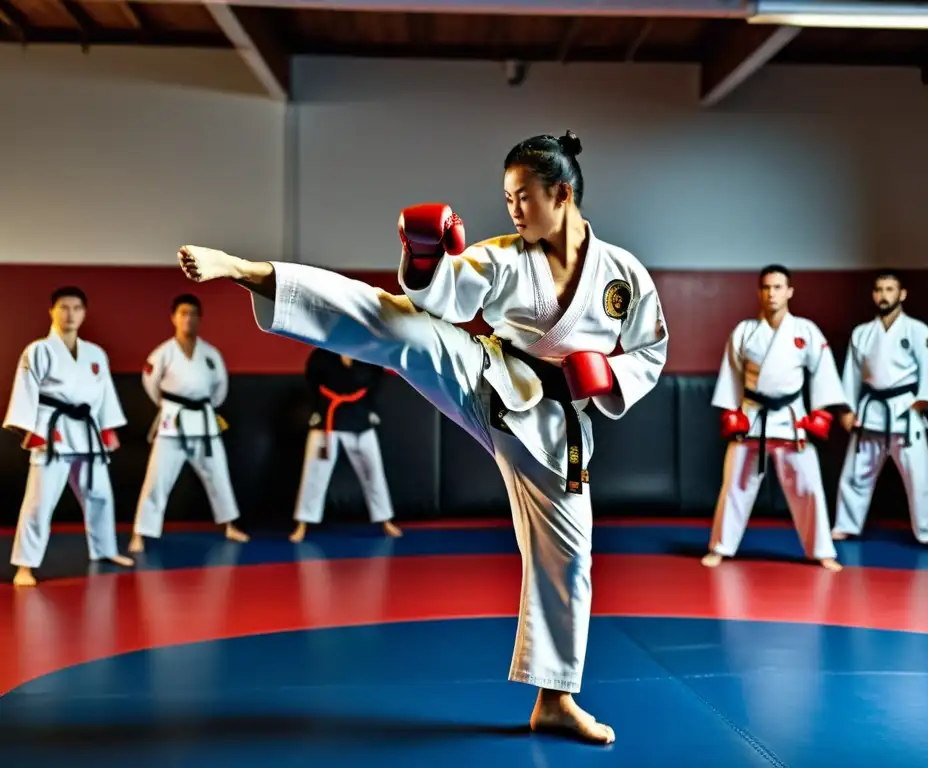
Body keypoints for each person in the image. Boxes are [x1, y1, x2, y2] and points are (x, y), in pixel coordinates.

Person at [175, 130, 668, 744]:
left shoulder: (622, 274)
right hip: (487, 374)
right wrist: (425, 259)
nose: (512, 210)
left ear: (561, 194)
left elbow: (652, 348)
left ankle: (555, 700)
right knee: (400, 327)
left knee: (569, 559)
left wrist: (609, 375)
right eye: (507, 198)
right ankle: (253, 272)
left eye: (522, 198)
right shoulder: (505, 256)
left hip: (552, 424)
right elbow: (440, 298)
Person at [704, 265, 846, 572]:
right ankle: (720, 547)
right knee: (734, 486)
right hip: (753, 418)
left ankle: (822, 551)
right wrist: (732, 413)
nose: (772, 293)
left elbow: (823, 371)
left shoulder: (806, 331)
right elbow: (731, 375)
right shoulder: (744, 331)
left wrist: (820, 413)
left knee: (809, 487)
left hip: (792, 420)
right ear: (759, 292)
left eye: (778, 287)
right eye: (767, 287)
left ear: (789, 291)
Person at [3, 286, 135, 586]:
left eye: (76, 308)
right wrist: (32, 431)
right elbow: (26, 389)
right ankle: (25, 565)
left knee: (100, 494)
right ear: (52, 311)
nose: (70, 313)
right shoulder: (38, 349)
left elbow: (104, 395)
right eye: (64, 307)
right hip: (53, 430)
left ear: (84, 313)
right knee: (39, 502)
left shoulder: (95, 354)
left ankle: (105, 549)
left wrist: (107, 428)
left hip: (87, 432)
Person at [832, 270, 928, 556]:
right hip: (871, 410)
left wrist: (921, 402)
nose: (884, 295)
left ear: (902, 295)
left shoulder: (919, 331)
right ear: (874, 295)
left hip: (904, 410)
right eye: (879, 289)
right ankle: (846, 525)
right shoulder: (861, 333)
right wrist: (847, 410)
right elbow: (851, 374)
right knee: (855, 473)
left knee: (920, 477)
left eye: (890, 289)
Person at [129, 294, 248, 553]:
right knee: (157, 478)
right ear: (173, 318)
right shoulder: (163, 353)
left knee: (218, 474)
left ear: (199, 319)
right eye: (183, 313)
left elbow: (220, 388)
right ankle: (141, 532)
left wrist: (207, 406)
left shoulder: (210, 354)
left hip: (204, 421)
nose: (188, 319)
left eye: (193, 314)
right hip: (173, 419)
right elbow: (150, 384)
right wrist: (167, 404)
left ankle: (230, 525)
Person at [290, 348, 402, 542]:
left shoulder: (369, 354)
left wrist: (370, 409)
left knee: (373, 472)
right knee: (314, 473)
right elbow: (312, 382)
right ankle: (302, 524)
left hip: (359, 417)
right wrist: (318, 408)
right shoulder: (322, 355)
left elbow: (376, 383)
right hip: (328, 418)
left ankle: (385, 520)